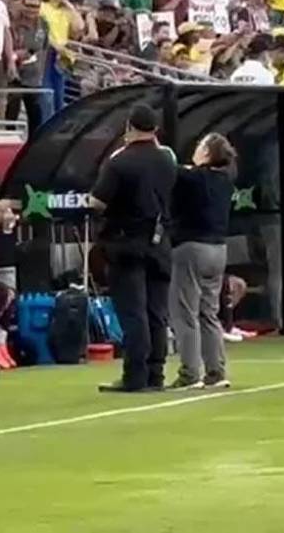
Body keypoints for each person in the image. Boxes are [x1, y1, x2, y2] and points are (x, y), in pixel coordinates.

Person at [90, 104, 177, 393]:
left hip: (126, 243)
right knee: (156, 311)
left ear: (129, 127)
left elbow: (98, 202)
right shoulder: (167, 159)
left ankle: (135, 375)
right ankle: (156, 374)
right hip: (159, 241)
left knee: (133, 311)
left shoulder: (119, 162)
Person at [168, 133, 236, 391]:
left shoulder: (192, 178)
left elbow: (172, 171)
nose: (195, 149)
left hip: (191, 247)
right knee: (209, 312)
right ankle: (216, 370)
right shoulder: (225, 180)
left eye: (200, 146)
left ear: (207, 153)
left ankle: (189, 373)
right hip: (218, 249)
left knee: (185, 312)